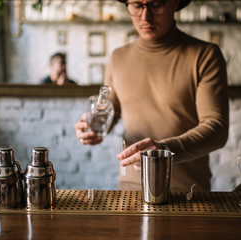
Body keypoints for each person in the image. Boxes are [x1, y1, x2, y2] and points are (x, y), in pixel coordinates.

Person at [74, 0, 229, 191]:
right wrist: (92, 126)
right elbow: (110, 110)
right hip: (130, 189)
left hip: (187, 191)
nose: (145, 17)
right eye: (137, 5)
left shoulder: (205, 55)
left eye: (156, 4)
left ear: (175, 3)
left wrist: (165, 151)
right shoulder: (118, 57)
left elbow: (217, 129)